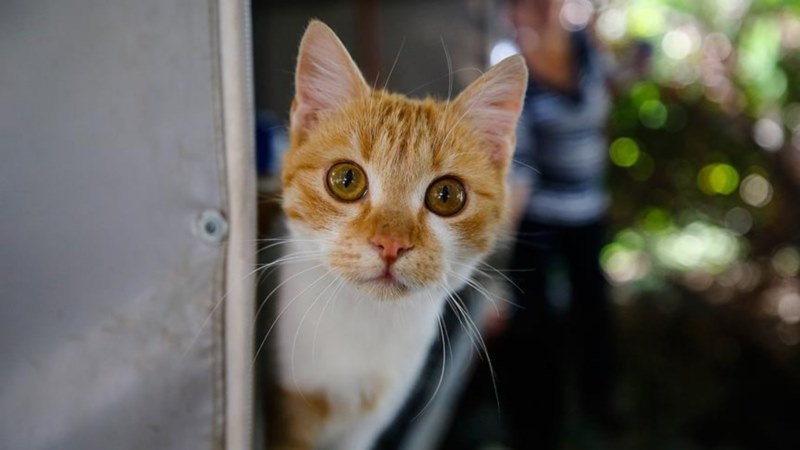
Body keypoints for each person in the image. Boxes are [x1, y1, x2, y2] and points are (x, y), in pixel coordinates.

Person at [496, 0, 617, 448]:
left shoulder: (588, 48)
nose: (537, 9)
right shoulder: (513, 69)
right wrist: (497, 247)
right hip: (541, 217)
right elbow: (519, 162)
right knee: (535, 323)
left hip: (589, 209)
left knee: (594, 307)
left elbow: (613, 86)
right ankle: (536, 427)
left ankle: (599, 404)